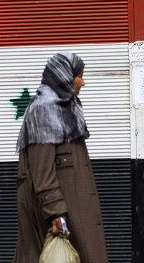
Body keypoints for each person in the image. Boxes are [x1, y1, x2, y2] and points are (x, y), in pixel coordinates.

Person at [14, 52, 107, 263]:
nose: (83, 81)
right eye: (79, 75)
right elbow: (41, 170)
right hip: (60, 213)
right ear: (64, 76)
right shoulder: (43, 110)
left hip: (73, 207)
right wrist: (55, 214)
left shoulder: (67, 108)